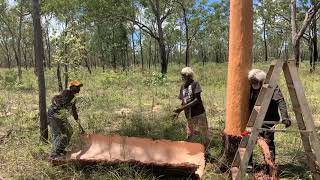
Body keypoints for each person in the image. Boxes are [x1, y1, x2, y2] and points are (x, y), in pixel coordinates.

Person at [248, 69, 291, 161]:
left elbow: (280, 100)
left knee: (268, 141)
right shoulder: (249, 84)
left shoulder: (272, 86)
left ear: (263, 81)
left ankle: (270, 166)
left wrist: (285, 117)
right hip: (253, 118)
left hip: (269, 118)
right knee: (249, 140)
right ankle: (249, 164)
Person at [173, 67, 209, 147]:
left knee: (204, 134)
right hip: (189, 115)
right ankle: (188, 152)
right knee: (189, 135)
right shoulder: (182, 87)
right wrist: (178, 112)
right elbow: (183, 101)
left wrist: (182, 108)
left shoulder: (195, 84)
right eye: (181, 75)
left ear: (189, 76)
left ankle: (207, 152)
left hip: (198, 113)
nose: (182, 77)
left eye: (183, 75)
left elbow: (197, 100)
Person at [47, 80, 83, 160]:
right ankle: (54, 155)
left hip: (60, 114)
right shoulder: (66, 92)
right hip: (54, 113)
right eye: (77, 87)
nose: (78, 89)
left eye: (79, 87)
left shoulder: (73, 97)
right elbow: (57, 100)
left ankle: (60, 150)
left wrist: (79, 125)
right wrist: (59, 105)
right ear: (72, 87)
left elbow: (73, 111)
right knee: (59, 133)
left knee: (69, 130)